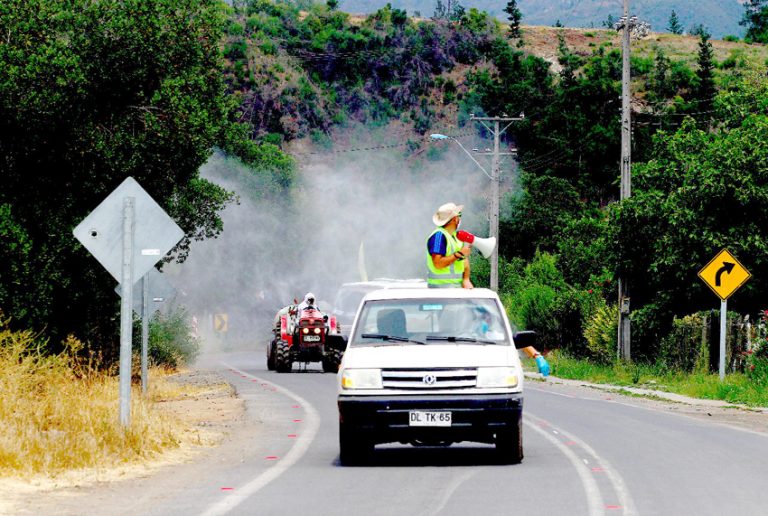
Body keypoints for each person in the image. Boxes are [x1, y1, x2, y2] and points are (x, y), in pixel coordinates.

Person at [426, 202, 473, 289]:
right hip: (439, 290)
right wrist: (459, 254)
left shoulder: (455, 236)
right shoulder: (438, 236)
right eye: (459, 215)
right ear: (455, 219)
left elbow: (463, 260)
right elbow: (437, 263)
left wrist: (466, 279)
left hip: (456, 288)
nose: (459, 218)